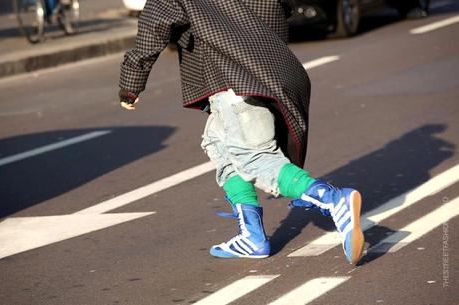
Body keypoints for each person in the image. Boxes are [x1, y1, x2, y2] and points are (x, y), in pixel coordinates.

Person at [118, 0, 364, 264]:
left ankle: (332, 200)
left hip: (233, 74)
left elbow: (156, 20)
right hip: (268, 68)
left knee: (253, 157)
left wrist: (131, 82)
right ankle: (252, 236)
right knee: (220, 146)